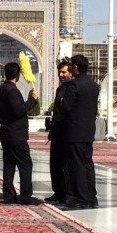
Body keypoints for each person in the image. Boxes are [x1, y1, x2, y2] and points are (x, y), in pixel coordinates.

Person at [0, 61, 40, 205]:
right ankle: (25, 196)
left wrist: (2, 119)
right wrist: (33, 100)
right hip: (16, 133)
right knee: (25, 164)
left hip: (6, 132)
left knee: (9, 165)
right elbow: (19, 109)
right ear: (18, 76)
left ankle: (9, 196)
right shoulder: (12, 90)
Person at [56, 54, 99, 209]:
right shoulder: (94, 85)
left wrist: (61, 101)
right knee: (88, 163)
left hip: (74, 132)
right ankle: (91, 196)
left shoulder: (74, 85)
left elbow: (65, 106)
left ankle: (82, 197)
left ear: (75, 68)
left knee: (77, 165)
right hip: (88, 131)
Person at [46, 59, 72, 202]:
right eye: (59, 72)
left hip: (67, 132)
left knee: (66, 165)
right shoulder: (60, 89)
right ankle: (58, 191)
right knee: (55, 163)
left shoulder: (72, 88)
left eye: (64, 72)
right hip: (57, 131)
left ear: (70, 72)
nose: (61, 75)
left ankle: (67, 193)